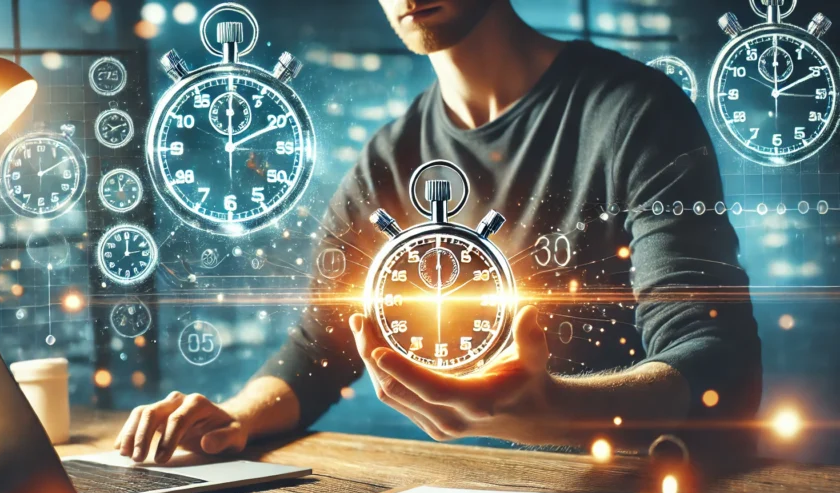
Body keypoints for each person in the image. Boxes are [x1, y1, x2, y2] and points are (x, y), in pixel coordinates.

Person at [115, 0, 762, 462]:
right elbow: (318, 352)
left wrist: (552, 408)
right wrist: (234, 417)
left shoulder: (634, 114)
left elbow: (717, 364)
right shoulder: (385, 164)